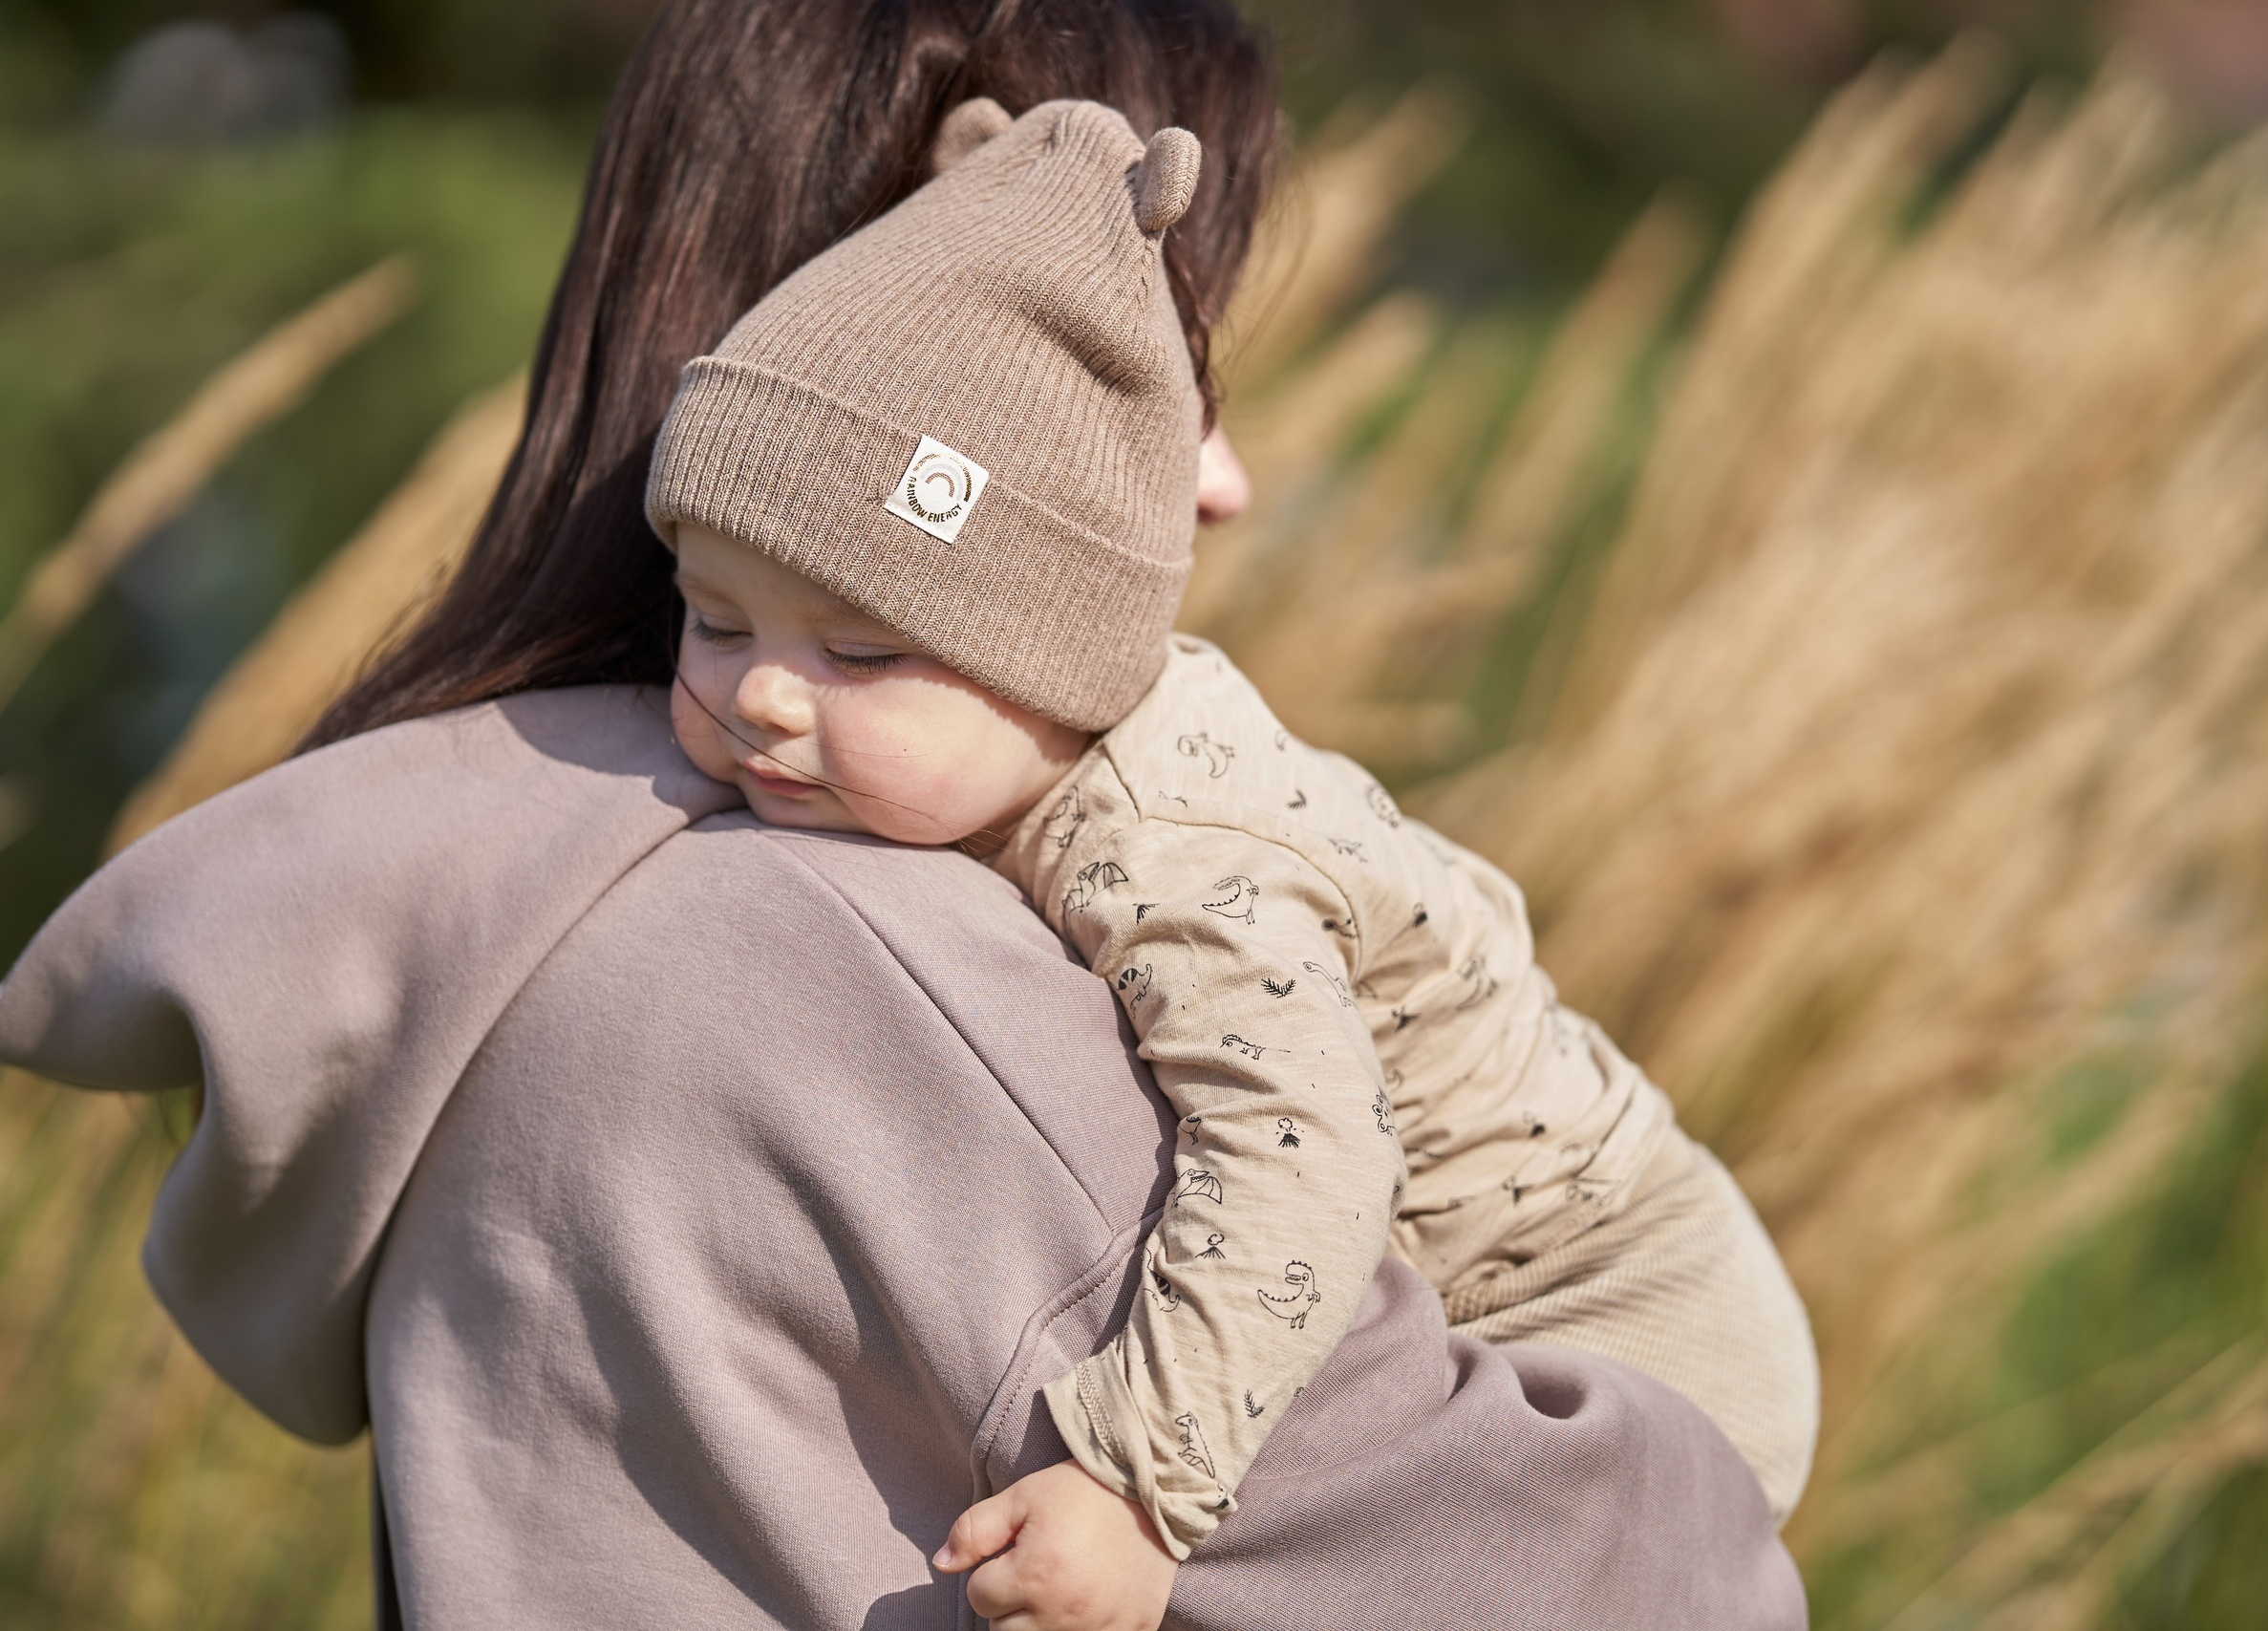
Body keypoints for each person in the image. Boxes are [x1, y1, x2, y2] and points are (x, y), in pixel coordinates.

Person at [0, 3, 1811, 1626]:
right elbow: (1666, 1586)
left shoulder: (493, 886)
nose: (1226, 482)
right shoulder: (876, 969)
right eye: (1161, 372)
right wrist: (1142, 1487)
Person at [642, 86, 1820, 1629]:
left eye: (861, 648)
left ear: (1053, 660)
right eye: (715, 620)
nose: (762, 694)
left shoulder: (1168, 856)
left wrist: (1137, 1484)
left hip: (1612, 1326)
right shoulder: (978, 770)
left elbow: (1303, 1160)